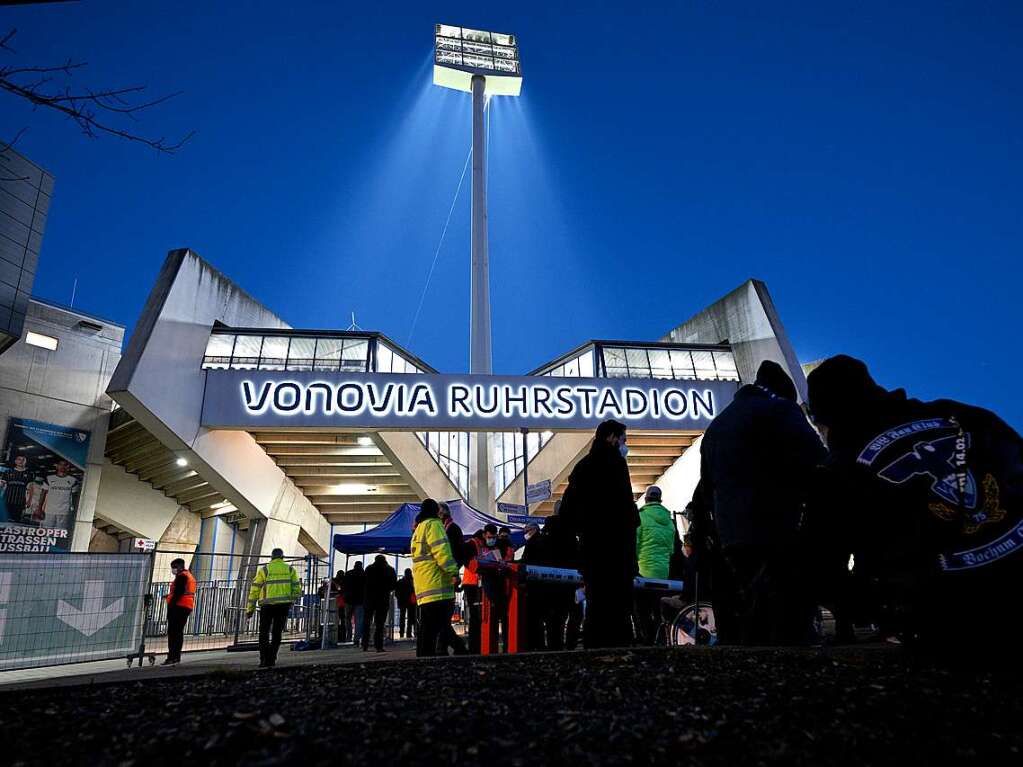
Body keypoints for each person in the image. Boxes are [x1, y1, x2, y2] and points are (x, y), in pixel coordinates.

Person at [806, 354, 1023, 651]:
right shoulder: (968, 418)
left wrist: (882, 607)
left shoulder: (838, 471)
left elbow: (820, 568)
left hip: (950, 617)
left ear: (827, 419)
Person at [697, 360, 826, 645]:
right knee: (788, 594)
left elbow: (707, 486)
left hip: (732, 531)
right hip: (777, 520)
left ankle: (757, 657)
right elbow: (817, 458)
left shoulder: (716, 426)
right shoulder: (780, 408)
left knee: (754, 594)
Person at [559, 419, 640, 648]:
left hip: (592, 547)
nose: (625, 445)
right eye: (623, 439)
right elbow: (625, 510)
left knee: (597, 601)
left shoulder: (583, 466)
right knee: (619, 603)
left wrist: (583, 532)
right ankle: (619, 644)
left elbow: (567, 510)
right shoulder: (615, 463)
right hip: (617, 548)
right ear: (612, 438)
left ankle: (595, 646)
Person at [410, 499, 464, 657]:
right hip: (438, 583)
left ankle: (424, 656)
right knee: (441, 624)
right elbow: (442, 553)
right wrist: (453, 572)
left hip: (424, 586)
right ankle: (462, 649)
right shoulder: (434, 525)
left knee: (427, 626)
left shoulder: (419, 528)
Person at [246, 548, 302, 668]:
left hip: (266, 606)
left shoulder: (264, 570)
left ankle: (263, 659)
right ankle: (272, 658)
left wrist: (250, 609)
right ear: (283, 557)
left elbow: (254, 590)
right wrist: (290, 600)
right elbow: (297, 589)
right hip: (283, 606)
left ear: (271, 557)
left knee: (264, 633)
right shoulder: (290, 570)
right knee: (277, 633)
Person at [634, 486, 676, 644]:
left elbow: (635, 546)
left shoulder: (641, 517)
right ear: (660, 499)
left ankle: (647, 640)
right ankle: (661, 638)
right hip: (663, 573)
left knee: (642, 610)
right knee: (659, 609)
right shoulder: (669, 522)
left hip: (643, 572)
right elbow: (671, 549)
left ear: (646, 499)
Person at [478, 523, 515, 652]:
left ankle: (503, 647)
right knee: (497, 618)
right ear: (484, 535)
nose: (491, 539)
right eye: (490, 537)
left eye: (494, 537)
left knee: (501, 618)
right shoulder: (479, 544)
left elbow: (508, 562)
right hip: (493, 585)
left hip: (500, 586)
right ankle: (498, 647)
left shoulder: (503, 546)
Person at [163, 558, 195, 666]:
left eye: (174, 567)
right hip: (186, 606)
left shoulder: (182, 577)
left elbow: (178, 593)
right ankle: (176, 657)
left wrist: (171, 603)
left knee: (173, 633)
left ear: (180, 567)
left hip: (178, 607)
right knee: (178, 632)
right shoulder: (188, 575)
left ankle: (172, 657)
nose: (173, 570)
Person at [362, 554, 397, 652]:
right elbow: (393, 585)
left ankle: (365, 644)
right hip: (382, 599)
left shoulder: (368, 569)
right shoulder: (390, 569)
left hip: (369, 599)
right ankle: (379, 646)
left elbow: (364, 583)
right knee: (380, 624)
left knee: (366, 622)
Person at [461, 530, 485, 653]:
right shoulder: (471, 544)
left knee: (475, 617)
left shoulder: (475, 544)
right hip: (472, 584)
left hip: (472, 583)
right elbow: (470, 563)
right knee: (475, 617)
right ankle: (474, 646)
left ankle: (475, 645)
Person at [40, 460, 79, 531]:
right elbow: (43, 493)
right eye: (60, 464)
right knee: (46, 532)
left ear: (68, 467)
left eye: (65, 465)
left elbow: (75, 497)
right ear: (57, 466)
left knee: (60, 532)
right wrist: (39, 508)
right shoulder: (49, 478)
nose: (62, 467)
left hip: (64, 512)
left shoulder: (73, 480)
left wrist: (75, 511)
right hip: (49, 511)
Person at [0, 455, 33, 525]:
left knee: (16, 522)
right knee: (4, 521)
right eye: (19, 459)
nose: (21, 461)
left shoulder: (29, 474)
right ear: (15, 461)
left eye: (23, 460)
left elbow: (31, 488)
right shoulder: (8, 472)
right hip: (7, 500)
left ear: (25, 462)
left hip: (20, 502)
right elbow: (1, 485)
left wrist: (29, 501)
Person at [343, 561, 366, 646]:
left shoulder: (348, 574)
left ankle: (348, 636)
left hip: (348, 600)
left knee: (347, 619)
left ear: (354, 565)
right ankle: (357, 638)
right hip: (360, 600)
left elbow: (343, 586)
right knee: (359, 620)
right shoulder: (364, 575)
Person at [394, 568, 416, 639]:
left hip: (402, 602)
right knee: (410, 618)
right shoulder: (412, 581)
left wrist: (399, 598)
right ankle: (409, 633)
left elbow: (396, 593)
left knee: (402, 618)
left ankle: (401, 633)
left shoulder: (400, 581)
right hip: (411, 603)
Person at [333, 570, 350, 643]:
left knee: (337, 620)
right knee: (344, 620)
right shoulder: (346, 582)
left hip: (336, 604)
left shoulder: (334, 582)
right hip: (344, 603)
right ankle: (344, 636)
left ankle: (337, 636)